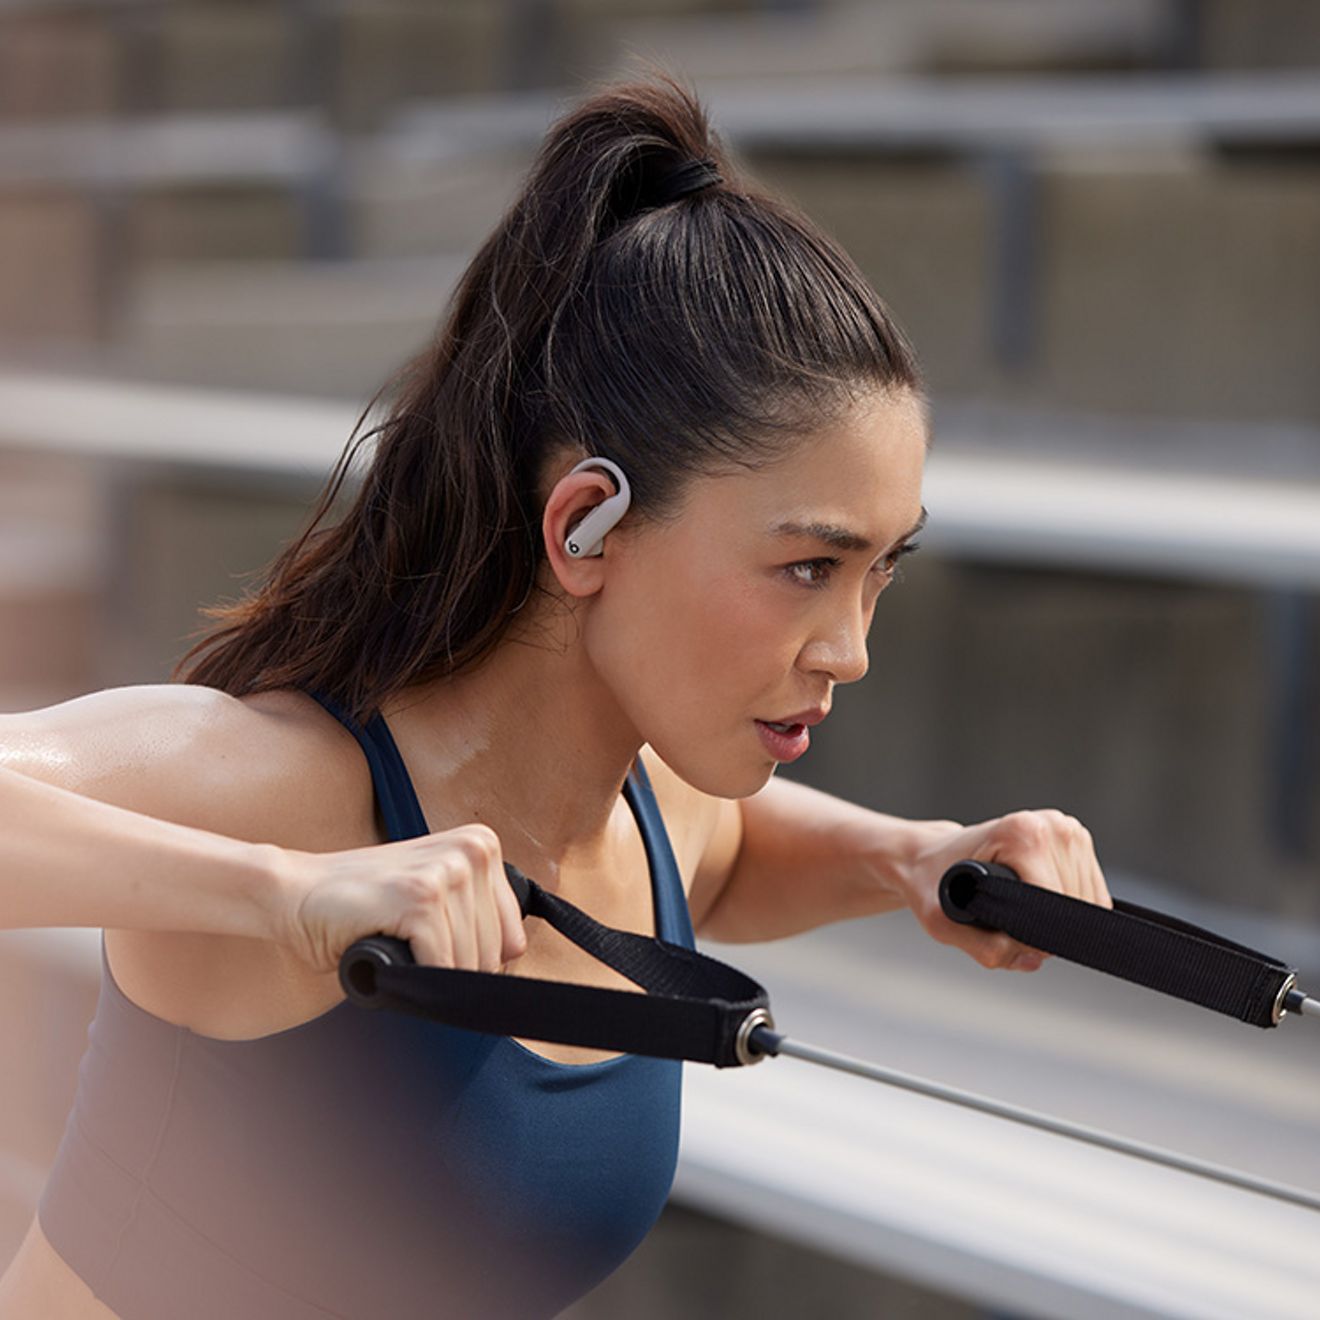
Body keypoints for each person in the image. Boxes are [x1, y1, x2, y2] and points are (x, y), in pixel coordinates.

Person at [0, 69, 1110, 1320]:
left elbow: (729, 856)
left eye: (880, 571)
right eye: (808, 567)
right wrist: (288, 896)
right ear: (587, 526)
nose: (850, 650)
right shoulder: (289, 790)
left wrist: (914, 860)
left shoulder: (649, 815)